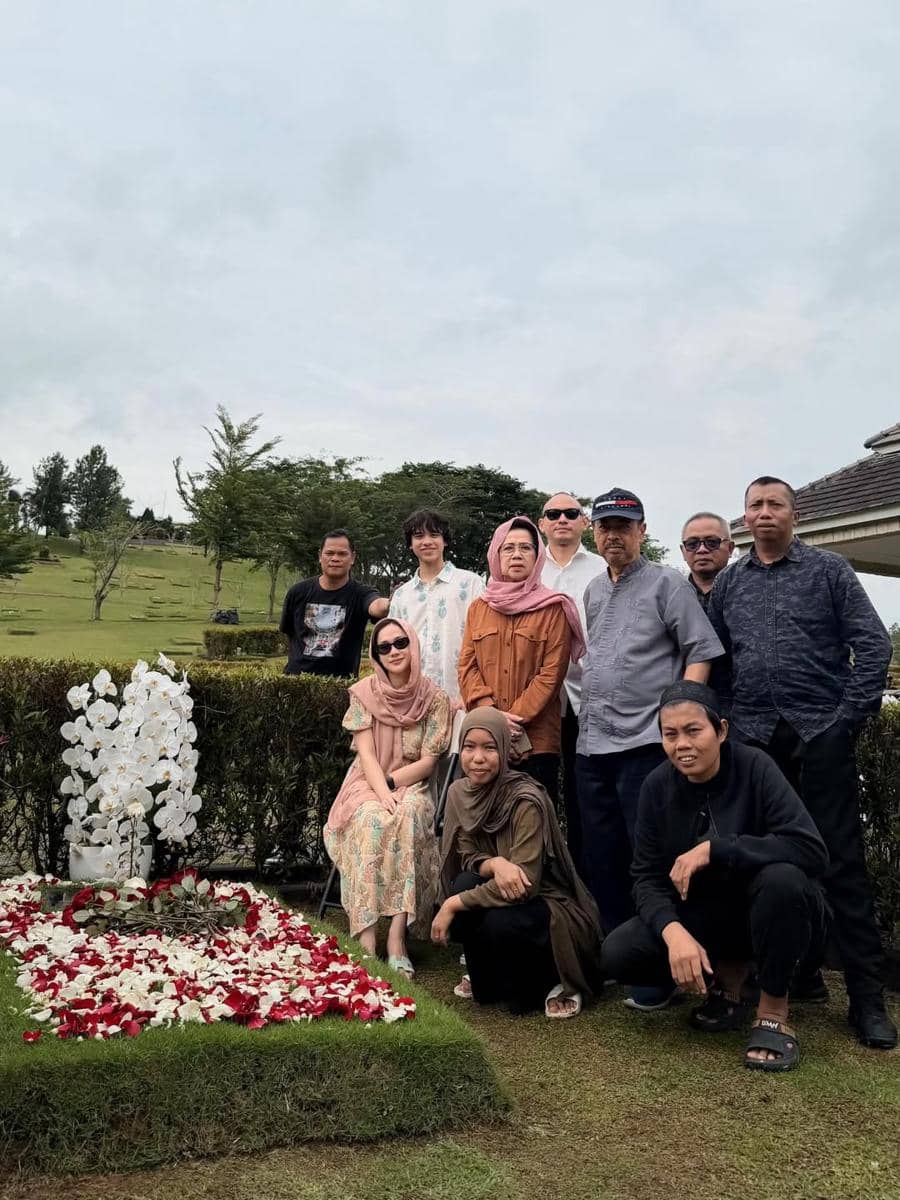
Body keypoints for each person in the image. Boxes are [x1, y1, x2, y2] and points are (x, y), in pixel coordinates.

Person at [707, 476, 896, 1050]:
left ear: (794, 514)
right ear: (744, 518)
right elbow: (717, 661)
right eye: (755, 505)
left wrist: (846, 721)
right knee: (758, 863)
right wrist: (730, 722)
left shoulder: (829, 571)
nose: (764, 513)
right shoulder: (730, 582)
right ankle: (775, 980)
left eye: (775, 504)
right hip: (755, 745)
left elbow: (873, 644)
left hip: (819, 738)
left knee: (840, 864)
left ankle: (866, 999)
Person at [600, 681, 829, 1071]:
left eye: (694, 731)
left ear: (721, 730)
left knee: (783, 880)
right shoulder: (657, 786)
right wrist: (673, 932)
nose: (682, 745)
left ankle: (773, 1009)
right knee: (618, 953)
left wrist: (717, 849)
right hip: (708, 914)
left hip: (773, 912)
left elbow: (810, 849)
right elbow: (646, 877)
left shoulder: (756, 767)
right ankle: (728, 979)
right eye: (670, 735)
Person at [576, 488, 723, 963]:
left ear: (641, 531)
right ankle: (618, 952)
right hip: (591, 744)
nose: (613, 535)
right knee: (602, 853)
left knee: (649, 854)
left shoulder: (667, 583)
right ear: (594, 533)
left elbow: (700, 650)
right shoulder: (593, 590)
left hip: (643, 743)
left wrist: (680, 719)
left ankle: (661, 956)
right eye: (605, 527)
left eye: (623, 526)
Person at [432, 707, 602, 1018]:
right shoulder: (460, 793)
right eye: (469, 747)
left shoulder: (525, 800)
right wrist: (496, 864)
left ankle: (553, 979)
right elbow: (467, 855)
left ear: (504, 749)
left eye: (489, 747)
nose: (478, 758)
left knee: (497, 922)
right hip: (504, 891)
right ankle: (491, 977)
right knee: (464, 882)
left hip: (546, 900)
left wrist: (453, 904)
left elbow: (527, 885)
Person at [323, 618, 451, 976]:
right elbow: (366, 755)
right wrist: (381, 792)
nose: (393, 651)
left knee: (408, 816)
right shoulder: (364, 693)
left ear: (412, 645)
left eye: (400, 643)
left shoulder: (435, 699)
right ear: (376, 655)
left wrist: (394, 786)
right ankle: (365, 938)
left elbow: (428, 763)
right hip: (367, 782)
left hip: (412, 783)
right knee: (369, 820)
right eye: (384, 647)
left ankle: (396, 939)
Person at [457, 515, 586, 803]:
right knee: (485, 818)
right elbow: (467, 667)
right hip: (485, 740)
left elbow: (551, 674)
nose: (517, 554)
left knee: (534, 817)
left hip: (536, 741)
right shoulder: (479, 608)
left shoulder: (554, 608)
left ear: (537, 556)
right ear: (496, 554)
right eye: (508, 548)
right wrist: (493, 717)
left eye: (525, 548)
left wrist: (509, 724)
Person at [539, 492, 605, 871]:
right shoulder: (528, 566)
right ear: (542, 523)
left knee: (584, 791)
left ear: (584, 522)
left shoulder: (601, 567)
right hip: (539, 699)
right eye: (553, 514)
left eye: (570, 513)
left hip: (589, 696)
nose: (561, 519)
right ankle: (546, 874)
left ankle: (584, 877)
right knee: (540, 788)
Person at [388, 509, 485, 703]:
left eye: (434, 535)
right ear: (410, 544)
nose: (427, 541)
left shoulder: (471, 583)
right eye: (418, 536)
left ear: (445, 540)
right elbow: (392, 647)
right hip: (414, 699)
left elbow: (485, 641)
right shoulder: (401, 596)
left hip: (461, 695)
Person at [280, 529, 389, 677]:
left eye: (342, 554)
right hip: (296, 681)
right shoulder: (298, 592)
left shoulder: (361, 594)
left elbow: (376, 606)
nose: (335, 558)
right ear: (320, 556)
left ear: (353, 558)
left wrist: (393, 602)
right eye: (329, 553)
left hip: (340, 684)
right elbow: (290, 634)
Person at [679, 512, 735, 610]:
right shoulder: (671, 597)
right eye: (692, 544)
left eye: (712, 542)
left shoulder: (749, 591)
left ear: (730, 548)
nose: (702, 550)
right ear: (683, 551)